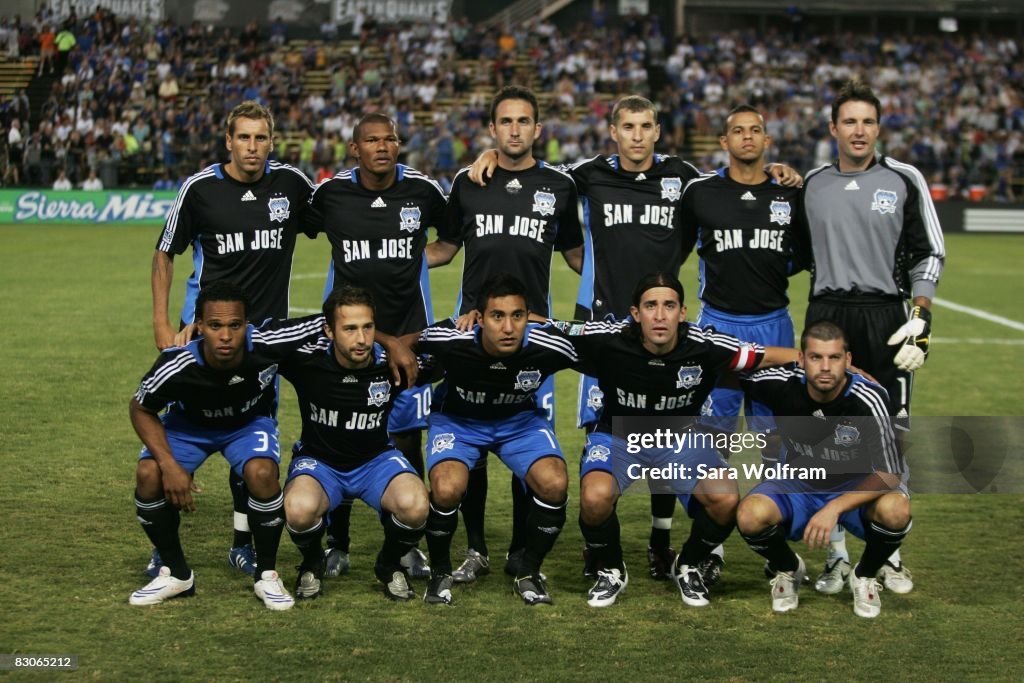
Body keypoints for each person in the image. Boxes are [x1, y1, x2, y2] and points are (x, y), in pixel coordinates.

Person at [468, 95, 802, 583]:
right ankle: (599, 547)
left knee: (671, 418)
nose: (638, 135)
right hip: (609, 325)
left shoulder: (685, 177)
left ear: (658, 130)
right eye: (628, 126)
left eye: (646, 126)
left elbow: (730, 182)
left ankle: (663, 540)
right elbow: (537, 173)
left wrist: (777, 170)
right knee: (605, 427)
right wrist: (491, 158)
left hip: (664, 321)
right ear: (614, 132)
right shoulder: (587, 174)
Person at [558, 272, 799, 607]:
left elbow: (764, 355)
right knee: (595, 498)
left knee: (725, 499)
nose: (660, 315)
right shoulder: (608, 338)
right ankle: (612, 569)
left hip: (680, 440)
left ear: (682, 312)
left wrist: (820, 361)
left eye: (668, 305)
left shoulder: (706, 344)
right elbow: (551, 328)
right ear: (635, 313)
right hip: (619, 436)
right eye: (651, 306)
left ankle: (687, 564)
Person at [149, 100, 316, 580]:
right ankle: (164, 550)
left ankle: (244, 542)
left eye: (260, 138)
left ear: (271, 141)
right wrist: (163, 326)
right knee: (181, 432)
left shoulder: (291, 184)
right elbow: (165, 253)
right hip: (202, 335)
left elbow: (340, 214)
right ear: (228, 140)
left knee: (253, 442)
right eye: (243, 137)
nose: (252, 147)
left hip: (264, 343)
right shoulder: (200, 189)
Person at [426, 86, 583, 584]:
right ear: (492, 130)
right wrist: (378, 255)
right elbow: (445, 248)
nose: (515, 130)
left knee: (528, 444)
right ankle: (475, 548)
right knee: (468, 437)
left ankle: (520, 552)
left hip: (533, 333)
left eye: (524, 121)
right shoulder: (469, 182)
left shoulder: (560, 186)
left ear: (538, 130)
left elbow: (580, 256)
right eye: (505, 122)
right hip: (473, 328)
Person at [801, 80, 944, 594]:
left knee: (892, 435)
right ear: (833, 128)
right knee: (824, 438)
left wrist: (921, 316)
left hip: (887, 318)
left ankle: (889, 551)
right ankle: (834, 554)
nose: (859, 131)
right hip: (828, 316)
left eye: (868, 121)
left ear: (878, 128)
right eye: (850, 121)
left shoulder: (904, 179)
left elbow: (930, 251)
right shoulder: (812, 184)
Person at [302, 113, 447, 580]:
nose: (382, 147)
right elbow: (298, 226)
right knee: (339, 433)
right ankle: (337, 542)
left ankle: (404, 545)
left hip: (410, 333)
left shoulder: (423, 191)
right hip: (349, 336)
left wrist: (411, 258)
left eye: (390, 139)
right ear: (354, 147)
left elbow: (454, 236)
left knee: (406, 436)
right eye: (371, 140)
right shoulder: (330, 194)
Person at [128, 282, 324, 610]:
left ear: (246, 325)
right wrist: (171, 467)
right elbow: (140, 407)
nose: (225, 336)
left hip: (247, 425)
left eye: (235, 325)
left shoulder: (264, 342)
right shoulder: (177, 363)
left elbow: (328, 320)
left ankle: (267, 576)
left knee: (262, 472)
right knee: (149, 474)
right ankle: (175, 574)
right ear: (199, 327)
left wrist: (390, 342)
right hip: (188, 427)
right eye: (215, 326)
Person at [678, 104, 807, 584]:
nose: (747, 138)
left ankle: (777, 545)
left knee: (779, 439)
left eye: (756, 131)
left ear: (767, 142)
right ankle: (711, 545)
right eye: (738, 131)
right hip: (718, 330)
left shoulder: (790, 194)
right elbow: (674, 246)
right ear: (724, 142)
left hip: (774, 325)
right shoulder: (701, 193)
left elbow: (802, 259)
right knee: (711, 440)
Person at [413, 275, 579, 606]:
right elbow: (410, 344)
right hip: (459, 423)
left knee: (554, 483)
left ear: (528, 318)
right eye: (497, 316)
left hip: (518, 423)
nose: (508, 327)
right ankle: (440, 574)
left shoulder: (547, 344)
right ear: (479, 317)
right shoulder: (452, 338)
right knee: (446, 488)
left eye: (517, 316)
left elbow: (595, 345)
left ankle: (528, 572)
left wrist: (553, 323)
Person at [736, 320, 911, 618]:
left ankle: (865, 575)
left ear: (849, 361)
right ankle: (788, 568)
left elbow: (890, 473)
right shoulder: (779, 382)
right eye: (816, 357)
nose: (826, 367)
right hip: (799, 483)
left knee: (896, 510)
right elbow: (729, 362)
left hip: (855, 485)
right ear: (801, 360)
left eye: (834, 358)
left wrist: (834, 509)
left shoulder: (869, 398)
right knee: (749, 515)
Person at [280, 285, 434, 601]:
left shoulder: (392, 365)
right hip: (320, 463)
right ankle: (312, 562)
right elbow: (256, 340)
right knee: (297, 509)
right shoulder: (305, 363)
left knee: (417, 506)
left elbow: (450, 348)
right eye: (349, 329)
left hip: (375, 461)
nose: (361, 339)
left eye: (368, 328)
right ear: (329, 331)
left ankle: (389, 564)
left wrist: (401, 343)